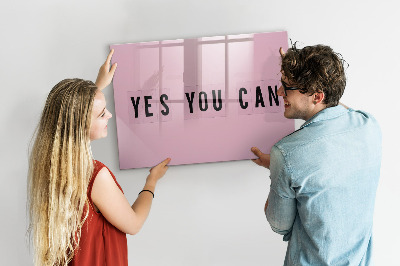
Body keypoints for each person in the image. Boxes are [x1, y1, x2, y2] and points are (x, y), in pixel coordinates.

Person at [27, 50, 171, 266]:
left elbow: (73, 113)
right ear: (81, 124)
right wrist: (151, 181)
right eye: (102, 113)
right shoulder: (95, 176)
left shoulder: (50, 165)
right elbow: (134, 224)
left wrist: (97, 86)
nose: (109, 116)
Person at [251, 44, 381, 265]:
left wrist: (279, 169)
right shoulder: (369, 126)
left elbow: (279, 224)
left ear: (317, 96)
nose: (280, 92)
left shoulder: (286, 153)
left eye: (287, 86)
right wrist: (298, 72)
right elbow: (335, 106)